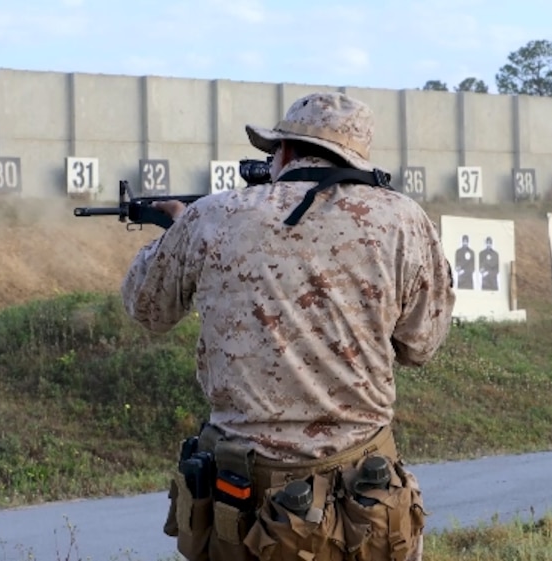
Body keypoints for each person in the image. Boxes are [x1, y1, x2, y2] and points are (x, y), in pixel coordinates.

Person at [121, 91, 455, 561]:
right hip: (366, 501)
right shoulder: (403, 220)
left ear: (286, 151)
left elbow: (146, 308)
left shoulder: (213, 215)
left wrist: (179, 231)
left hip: (243, 503)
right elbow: (421, 345)